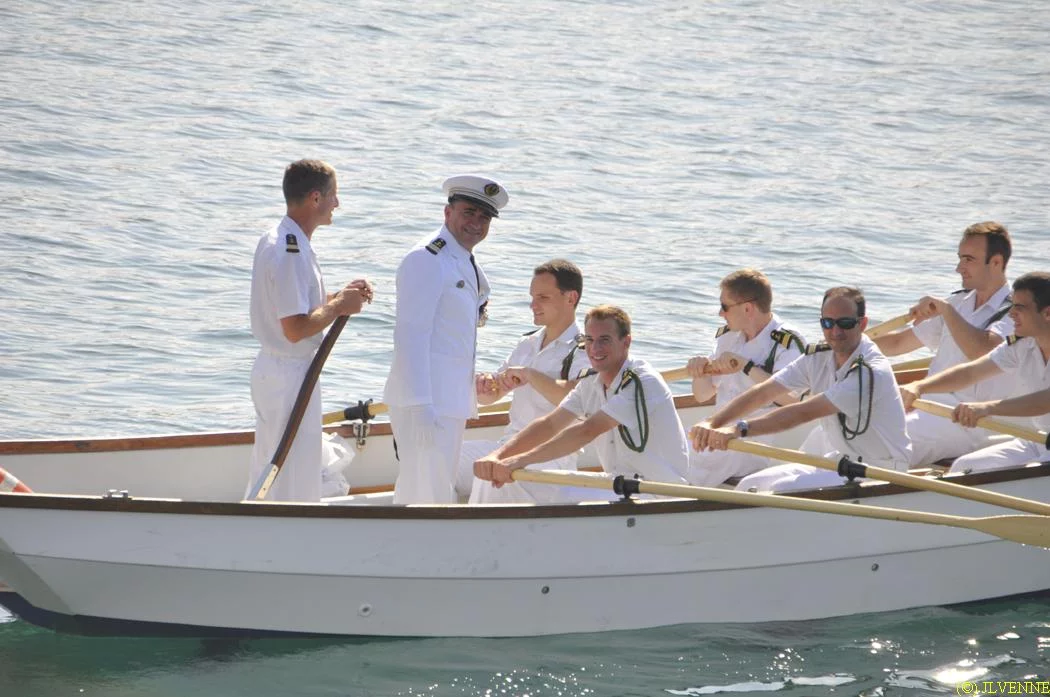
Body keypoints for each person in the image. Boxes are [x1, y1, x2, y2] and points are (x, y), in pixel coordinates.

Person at [690, 287, 912, 493]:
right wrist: (713, 423)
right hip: (842, 460)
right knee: (751, 484)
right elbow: (765, 391)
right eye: (827, 323)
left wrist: (738, 430)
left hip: (880, 470)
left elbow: (803, 412)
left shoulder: (870, 371)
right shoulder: (818, 357)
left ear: (862, 324)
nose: (835, 331)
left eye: (844, 323)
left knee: (778, 490)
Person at [246, 159, 373, 502]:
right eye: (335, 195)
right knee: (290, 471)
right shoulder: (289, 250)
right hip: (289, 372)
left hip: (283, 370)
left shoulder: (285, 239)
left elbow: (299, 309)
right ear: (316, 198)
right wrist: (338, 307)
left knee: (278, 465)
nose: (338, 204)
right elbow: (294, 328)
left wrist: (339, 297)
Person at [384, 174, 509, 504]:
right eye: (469, 212)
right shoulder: (426, 259)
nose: (476, 223)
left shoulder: (463, 259)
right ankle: (417, 550)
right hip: (426, 401)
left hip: (448, 398)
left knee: (433, 489)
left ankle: (416, 550)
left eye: (484, 217)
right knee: (424, 491)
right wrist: (420, 404)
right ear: (448, 212)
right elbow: (410, 337)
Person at [473, 305, 689, 491]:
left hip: (662, 491)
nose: (594, 349)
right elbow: (549, 424)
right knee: (531, 491)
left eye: (604, 340)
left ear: (626, 342)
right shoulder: (591, 383)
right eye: (590, 340)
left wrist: (518, 461)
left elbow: (588, 430)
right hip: (620, 485)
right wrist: (498, 456)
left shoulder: (641, 381)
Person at [873, 222, 1016, 465]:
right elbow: (898, 343)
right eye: (960, 258)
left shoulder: (1015, 312)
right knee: (832, 431)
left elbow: (983, 351)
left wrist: (946, 310)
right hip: (925, 408)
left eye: (968, 259)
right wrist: (846, 340)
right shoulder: (959, 302)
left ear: (996, 262)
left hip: (967, 422)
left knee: (878, 442)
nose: (959, 268)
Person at [456, 260, 592, 503]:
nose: (533, 305)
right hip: (507, 444)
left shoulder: (584, 350)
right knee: (440, 458)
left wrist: (530, 375)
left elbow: (577, 399)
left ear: (571, 298)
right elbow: (490, 397)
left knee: (490, 475)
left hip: (550, 458)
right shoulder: (527, 344)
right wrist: (483, 387)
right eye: (532, 297)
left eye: (543, 297)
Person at [901, 272, 1050, 474]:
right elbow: (970, 373)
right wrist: (920, 386)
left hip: (1042, 443)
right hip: (1037, 440)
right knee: (964, 468)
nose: (1011, 313)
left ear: (1048, 314)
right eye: (1012, 305)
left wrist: (987, 407)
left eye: (1020, 308)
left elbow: (1045, 400)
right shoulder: (1022, 344)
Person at [685, 269, 806, 486]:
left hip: (749, 440)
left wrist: (746, 366)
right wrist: (699, 371)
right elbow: (702, 395)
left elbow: (793, 400)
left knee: (682, 467)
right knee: (675, 453)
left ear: (748, 308)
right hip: (719, 432)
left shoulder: (786, 342)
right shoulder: (728, 337)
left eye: (724, 307)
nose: (720, 314)